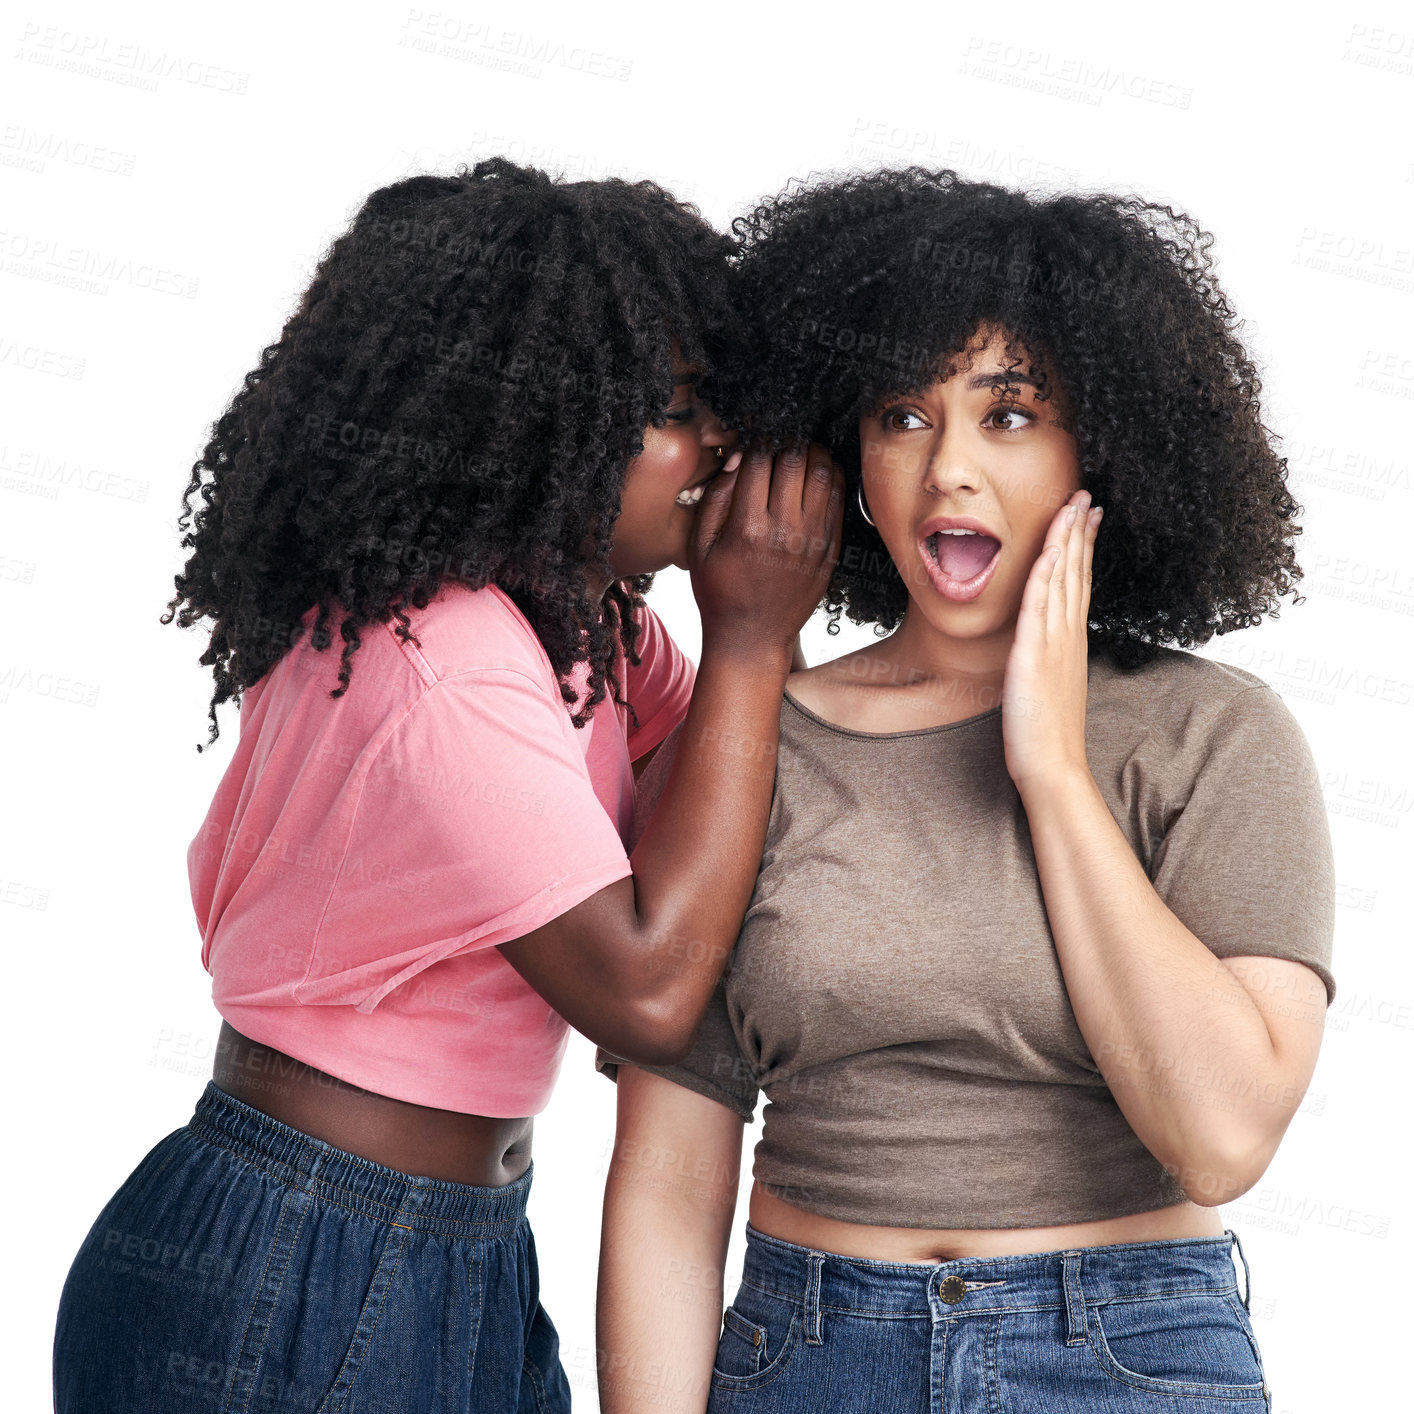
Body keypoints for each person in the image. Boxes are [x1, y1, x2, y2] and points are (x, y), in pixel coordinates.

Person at [52, 157, 843, 1414]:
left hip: (448, 1239)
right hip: (305, 1254)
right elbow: (642, 987)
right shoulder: (449, 660)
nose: (714, 452)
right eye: (675, 412)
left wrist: (758, 628)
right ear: (550, 427)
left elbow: (766, 801)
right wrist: (747, 634)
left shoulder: (579, 629)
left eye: (718, 408)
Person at [596, 168, 1335, 1412]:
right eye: (901, 414)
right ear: (844, 446)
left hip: (1124, 1356)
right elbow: (669, 1192)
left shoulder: (1216, 735)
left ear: (1100, 444)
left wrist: (1051, 771)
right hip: (810, 1352)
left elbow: (1221, 1135)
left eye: (1007, 416)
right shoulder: (745, 747)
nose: (946, 470)